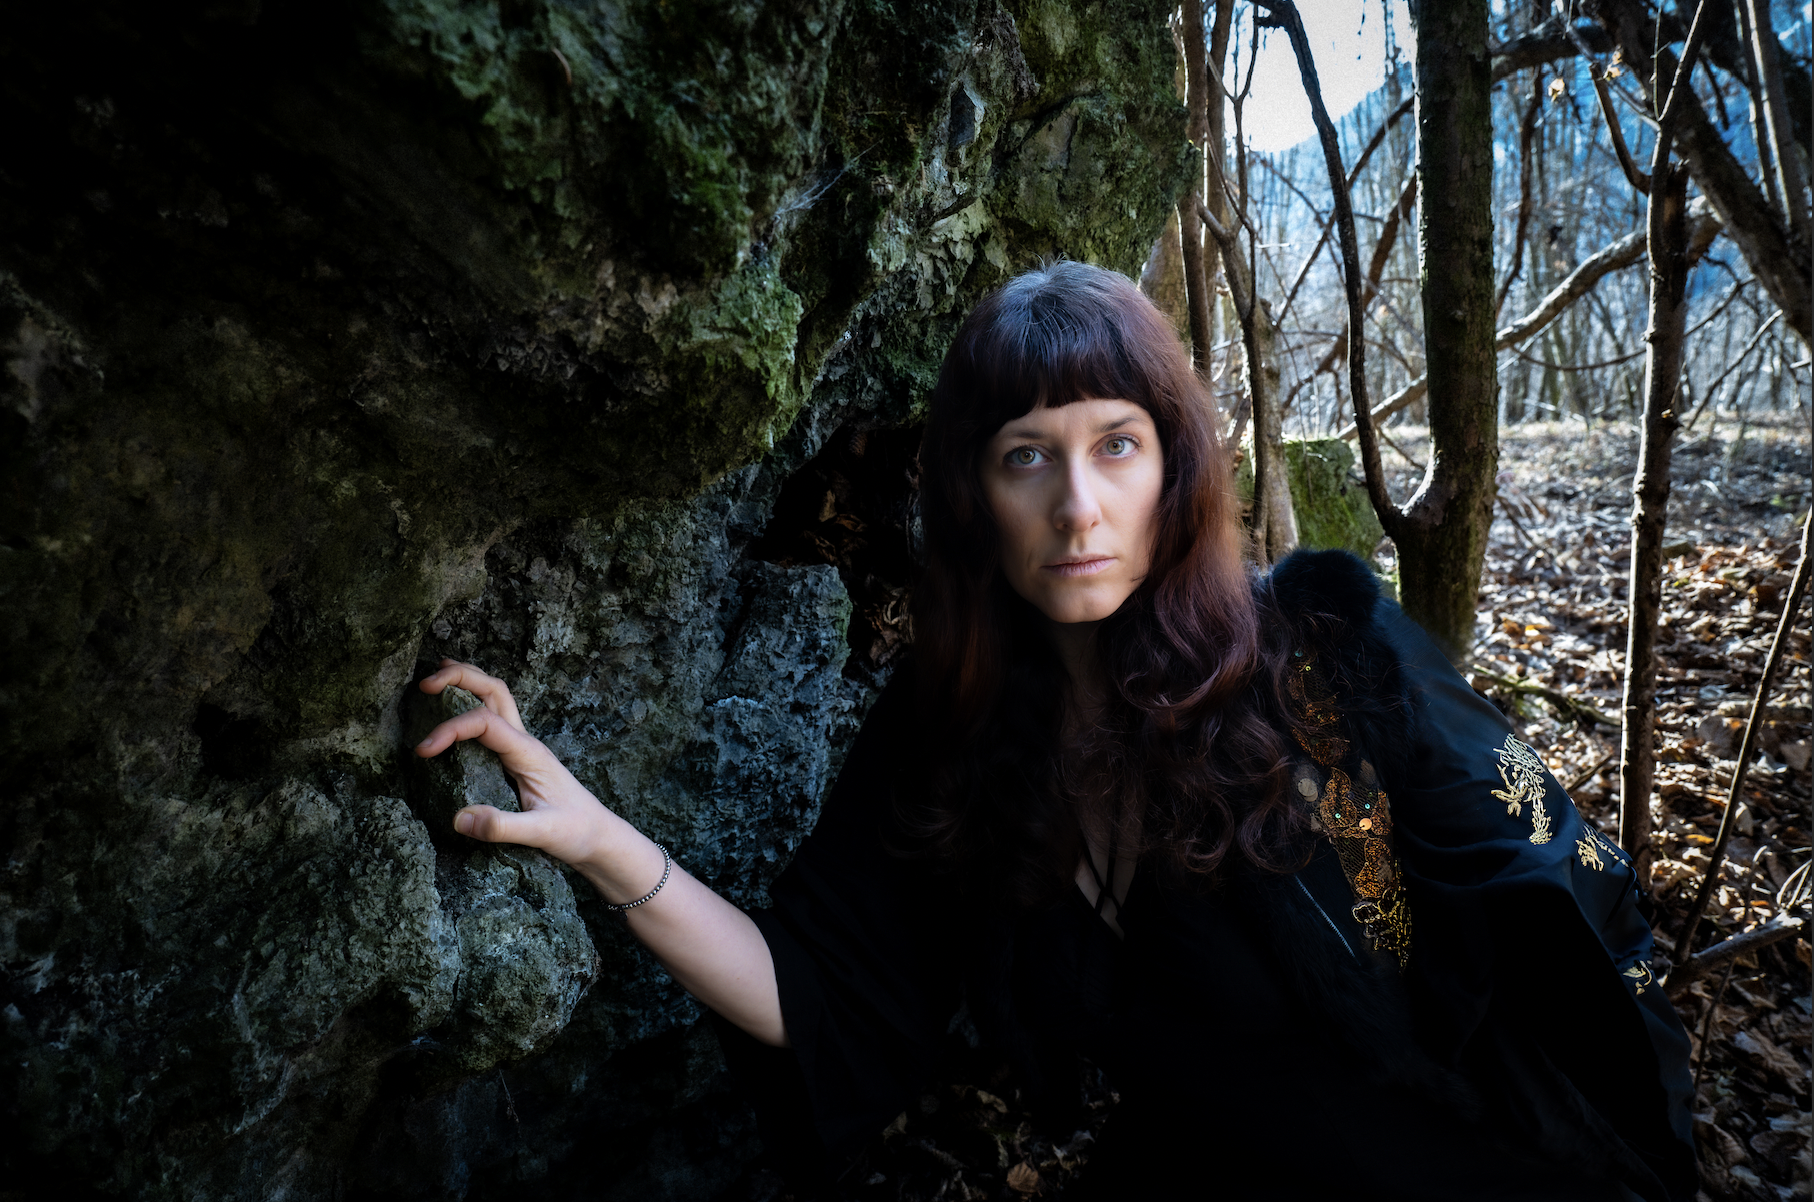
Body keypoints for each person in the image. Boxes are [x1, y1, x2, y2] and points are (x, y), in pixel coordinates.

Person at [414, 262, 1696, 1200]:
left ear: (1174, 468)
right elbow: (824, 993)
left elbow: (1572, 915)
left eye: (1116, 445)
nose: (1078, 503)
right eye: (1026, 454)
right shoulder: (953, 730)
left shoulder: (1323, 649)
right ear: (973, 496)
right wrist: (599, 840)